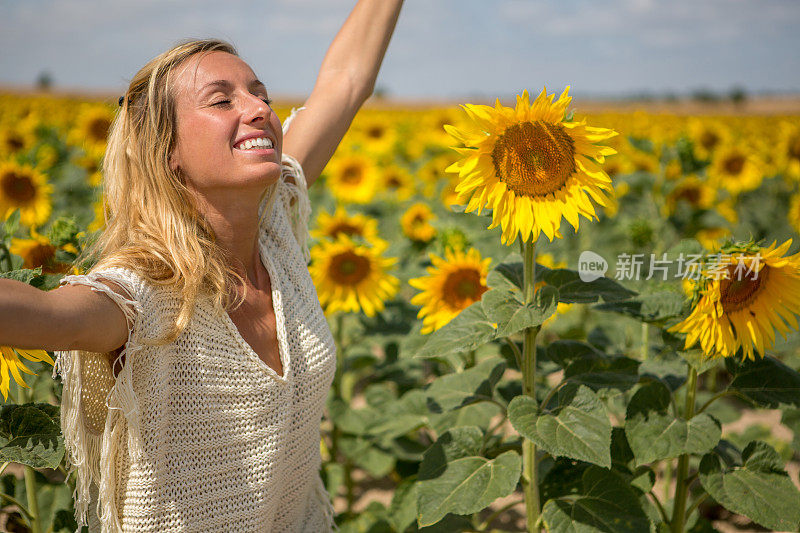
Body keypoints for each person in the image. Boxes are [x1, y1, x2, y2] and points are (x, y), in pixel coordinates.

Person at [0, 1, 404, 531]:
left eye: (260, 93)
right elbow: (51, 314)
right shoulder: (145, 295)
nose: (259, 108)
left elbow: (346, 83)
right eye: (222, 100)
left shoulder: (275, 225)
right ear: (167, 149)